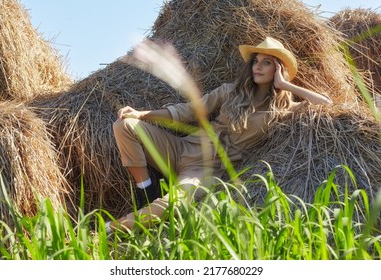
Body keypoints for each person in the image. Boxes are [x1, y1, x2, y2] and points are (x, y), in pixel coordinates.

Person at [106, 37, 332, 233]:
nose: (258, 67)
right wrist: (142, 114)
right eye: (256, 61)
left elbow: (326, 104)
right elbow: (190, 111)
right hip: (183, 148)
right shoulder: (230, 91)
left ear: (279, 70)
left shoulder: (284, 110)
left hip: (207, 170)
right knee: (125, 125)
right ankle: (146, 188)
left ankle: (112, 229)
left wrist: (285, 85)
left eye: (267, 63)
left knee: (174, 202)